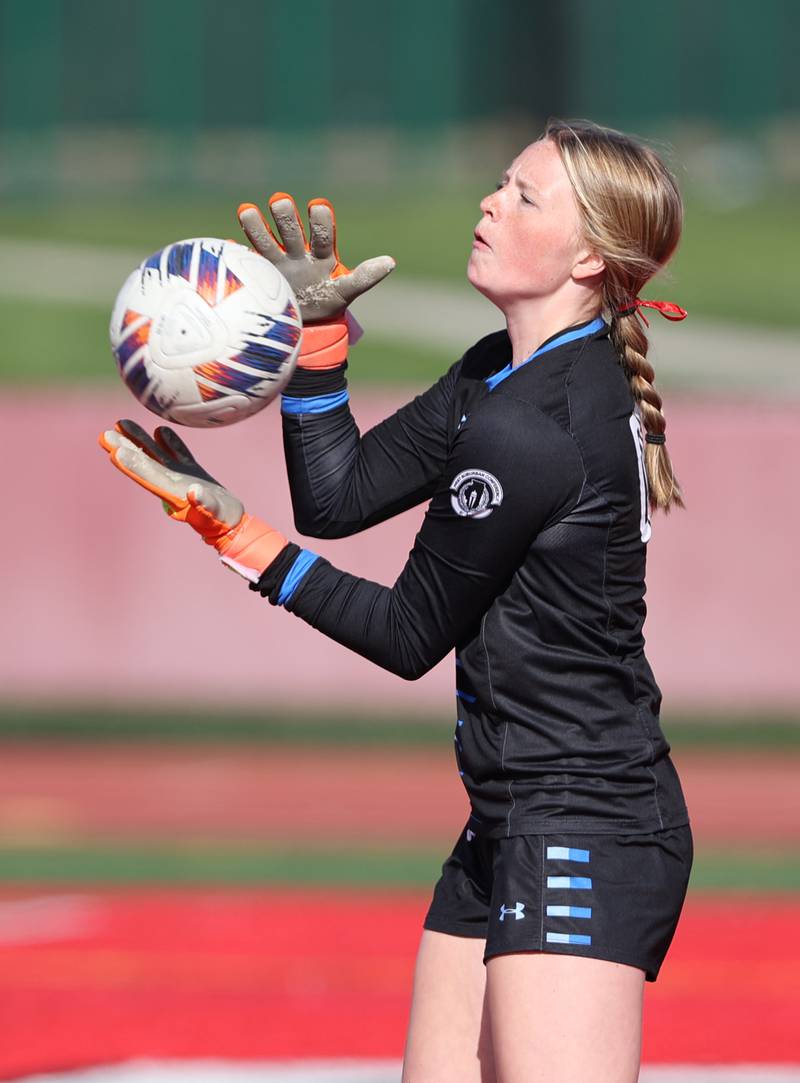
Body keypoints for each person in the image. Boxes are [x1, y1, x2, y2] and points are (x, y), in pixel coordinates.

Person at [100, 118, 693, 1083]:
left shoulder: (533, 427)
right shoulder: (494, 372)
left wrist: (236, 538)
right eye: (500, 181)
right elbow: (338, 500)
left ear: (590, 256)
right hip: (507, 814)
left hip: (587, 818)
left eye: (524, 196)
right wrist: (321, 345)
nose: (490, 202)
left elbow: (410, 631)